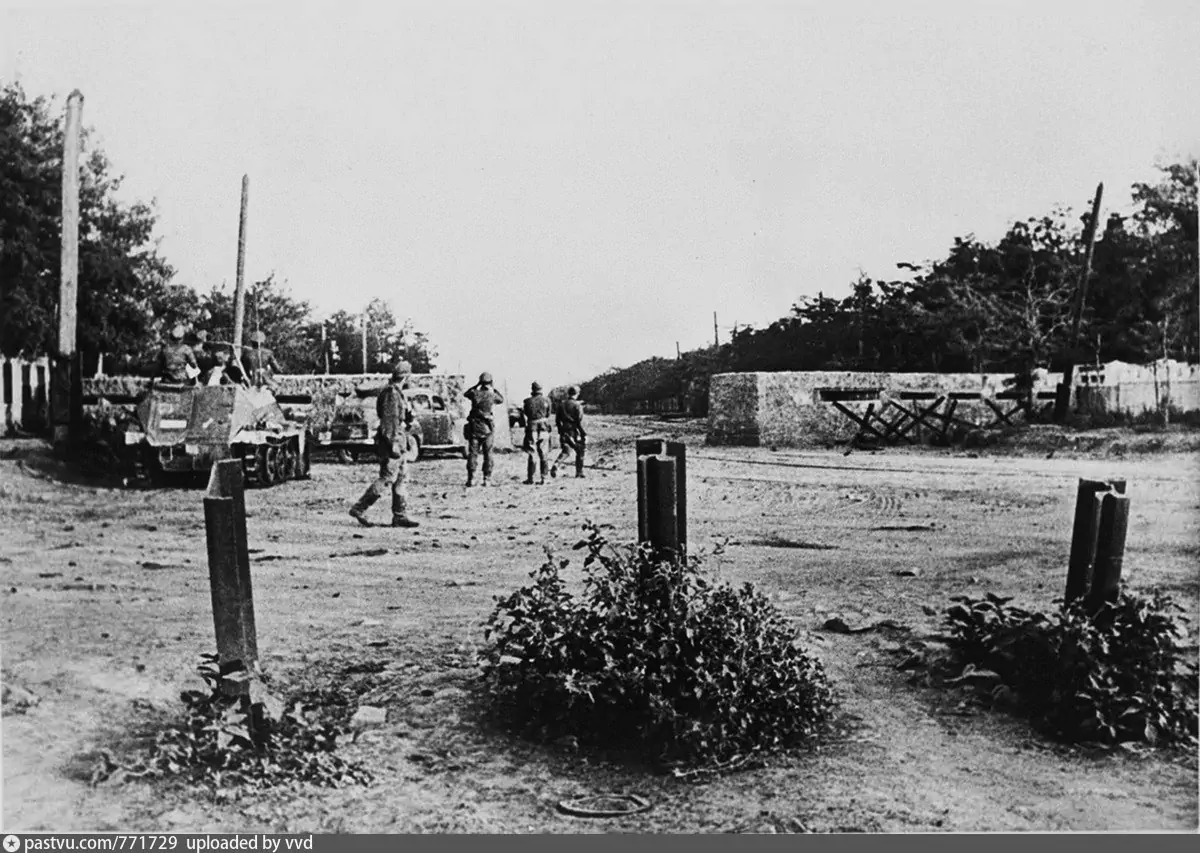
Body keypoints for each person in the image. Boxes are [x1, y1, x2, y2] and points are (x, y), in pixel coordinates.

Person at [349, 363, 420, 528]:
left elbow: (401, 419)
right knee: (387, 478)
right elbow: (389, 422)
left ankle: (400, 516)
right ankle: (359, 509)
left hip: (399, 441)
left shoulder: (398, 394)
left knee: (401, 478)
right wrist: (394, 445)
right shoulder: (391, 395)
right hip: (392, 443)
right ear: (405, 377)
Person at [463, 371, 504, 487]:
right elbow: (501, 399)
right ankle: (487, 479)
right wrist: (493, 388)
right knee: (488, 454)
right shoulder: (492, 395)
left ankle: (471, 479)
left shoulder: (475, 393)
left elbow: (465, 394)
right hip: (487, 429)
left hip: (474, 428)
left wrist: (477, 385)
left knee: (473, 454)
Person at [551, 386, 587, 479]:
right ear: (577, 394)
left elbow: (557, 420)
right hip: (574, 431)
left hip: (564, 430)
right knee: (580, 450)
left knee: (566, 450)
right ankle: (579, 472)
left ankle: (556, 464)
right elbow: (579, 421)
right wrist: (583, 433)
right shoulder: (577, 405)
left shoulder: (561, 405)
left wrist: (560, 431)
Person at [521, 381, 553, 485]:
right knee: (544, 454)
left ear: (532, 389)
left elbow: (526, 413)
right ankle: (544, 478)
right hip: (543, 428)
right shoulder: (547, 400)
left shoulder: (527, 401)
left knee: (532, 453)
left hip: (531, 429)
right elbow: (548, 414)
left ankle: (531, 478)